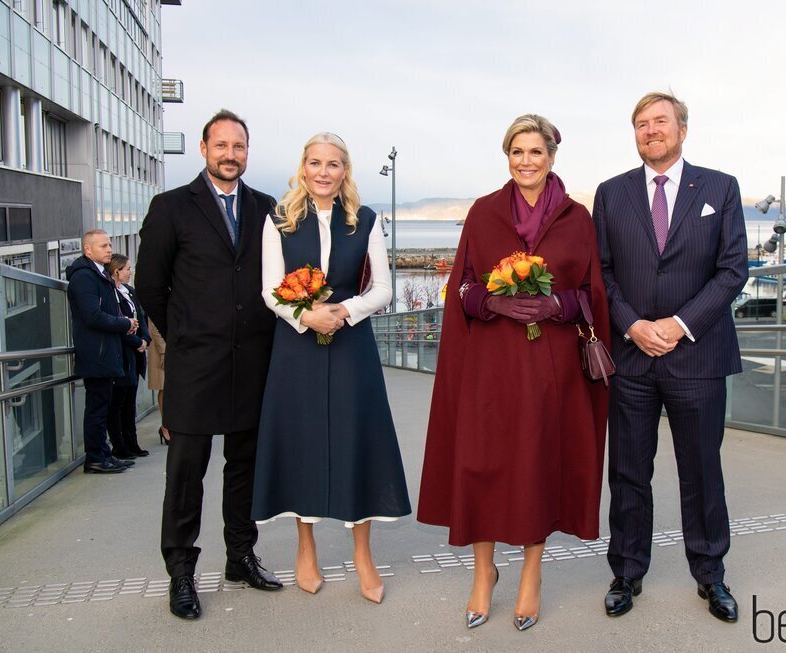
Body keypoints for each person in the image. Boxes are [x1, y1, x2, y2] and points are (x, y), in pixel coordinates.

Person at [418, 114, 610, 631]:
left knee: (535, 466)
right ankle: (483, 574)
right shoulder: (483, 213)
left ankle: (531, 574)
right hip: (490, 366)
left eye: (535, 152)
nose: (525, 161)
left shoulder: (577, 219)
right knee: (480, 464)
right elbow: (460, 286)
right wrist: (491, 302)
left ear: (552, 156)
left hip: (552, 371)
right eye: (516, 152)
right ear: (508, 157)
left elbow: (592, 292)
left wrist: (557, 305)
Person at [592, 92, 748, 623]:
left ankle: (711, 575)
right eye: (640, 124)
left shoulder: (720, 188)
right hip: (631, 357)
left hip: (698, 357)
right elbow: (602, 274)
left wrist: (678, 326)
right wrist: (633, 324)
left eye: (660, 122)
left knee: (701, 471)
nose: (650, 131)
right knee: (629, 472)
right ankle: (627, 572)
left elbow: (732, 270)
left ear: (682, 129)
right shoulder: (611, 195)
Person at [252, 132, 411, 604]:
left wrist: (344, 311)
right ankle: (306, 548)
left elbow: (383, 287)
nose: (324, 172)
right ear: (303, 168)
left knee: (355, 440)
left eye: (334, 164)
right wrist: (305, 315)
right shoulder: (278, 220)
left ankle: (363, 554)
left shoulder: (365, 220)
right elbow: (268, 288)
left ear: (346, 171)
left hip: (351, 343)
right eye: (316, 162)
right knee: (302, 440)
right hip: (296, 347)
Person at [136, 109, 282, 621]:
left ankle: (240, 557)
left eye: (238, 146)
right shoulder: (171, 207)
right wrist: (187, 336)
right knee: (186, 473)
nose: (230, 155)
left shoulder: (268, 208)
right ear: (203, 149)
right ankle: (181, 571)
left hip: (254, 364)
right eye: (220, 146)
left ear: (248, 151)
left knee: (244, 467)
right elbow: (149, 286)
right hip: (195, 366)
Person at [66, 230, 139, 474]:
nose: (109, 249)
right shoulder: (85, 277)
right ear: (88, 249)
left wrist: (125, 321)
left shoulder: (99, 275)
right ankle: (96, 457)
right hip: (96, 353)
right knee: (97, 408)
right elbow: (92, 315)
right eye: (104, 246)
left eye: (109, 245)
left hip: (104, 351)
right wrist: (124, 323)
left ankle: (104, 454)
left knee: (103, 406)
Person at [105, 254, 151, 459]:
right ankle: (120, 445)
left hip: (135, 355)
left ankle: (132, 442)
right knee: (118, 404)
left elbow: (141, 318)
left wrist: (145, 340)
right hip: (122, 354)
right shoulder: (110, 294)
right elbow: (119, 326)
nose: (130, 272)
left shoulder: (130, 293)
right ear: (116, 271)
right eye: (127, 269)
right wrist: (137, 342)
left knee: (130, 402)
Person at [146, 318, 168, 445]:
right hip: (163, 349)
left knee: (171, 389)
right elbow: (155, 326)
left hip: (174, 348)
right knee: (164, 387)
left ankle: (169, 425)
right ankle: (165, 427)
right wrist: (163, 352)